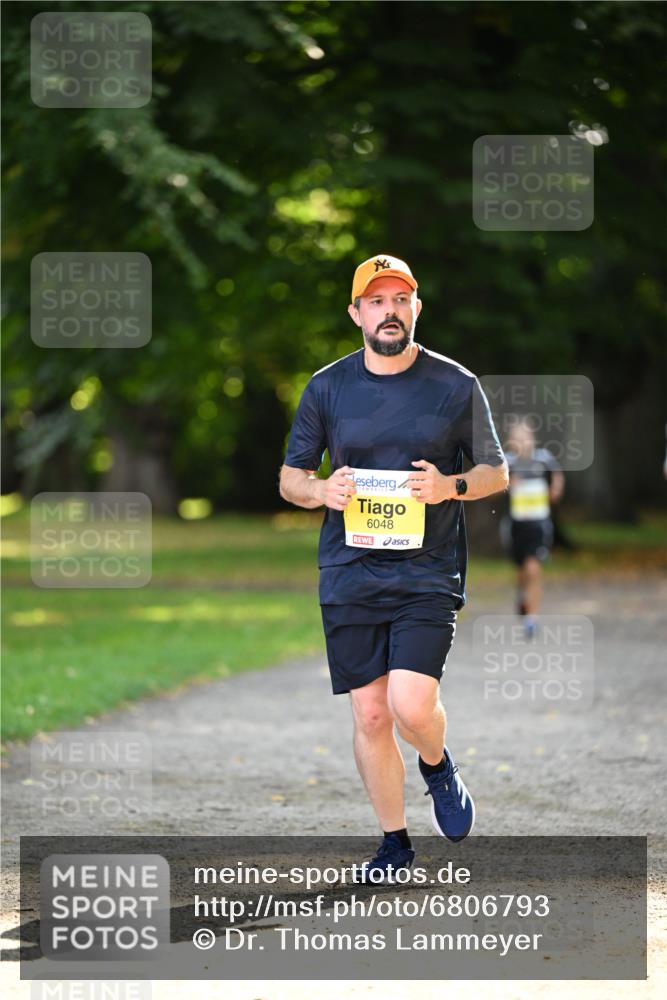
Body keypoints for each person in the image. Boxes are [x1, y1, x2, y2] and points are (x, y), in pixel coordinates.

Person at [279, 253, 508, 882]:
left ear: (416, 308)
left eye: (399, 300)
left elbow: (496, 470)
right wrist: (320, 492)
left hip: (427, 571)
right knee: (371, 714)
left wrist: (450, 488)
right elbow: (290, 478)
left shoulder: (454, 384)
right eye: (375, 301)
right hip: (349, 572)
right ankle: (394, 844)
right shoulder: (327, 387)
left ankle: (437, 765)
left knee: (410, 704)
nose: (389, 311)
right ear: (356, 313)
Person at [503, 419, 565, 638]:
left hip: (539, 526)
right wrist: (509, 483)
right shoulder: (507, 463)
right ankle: (522, 596)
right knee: (522, 572)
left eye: (525, 437)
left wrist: (554, 490)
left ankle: (532, 619)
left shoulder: (543, 458)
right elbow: (492, 489)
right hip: (516, 526)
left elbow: (557, 476)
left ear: (533, 439)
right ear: (510, 442)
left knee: (533, 568)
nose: (522, 442)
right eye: (517, 438)